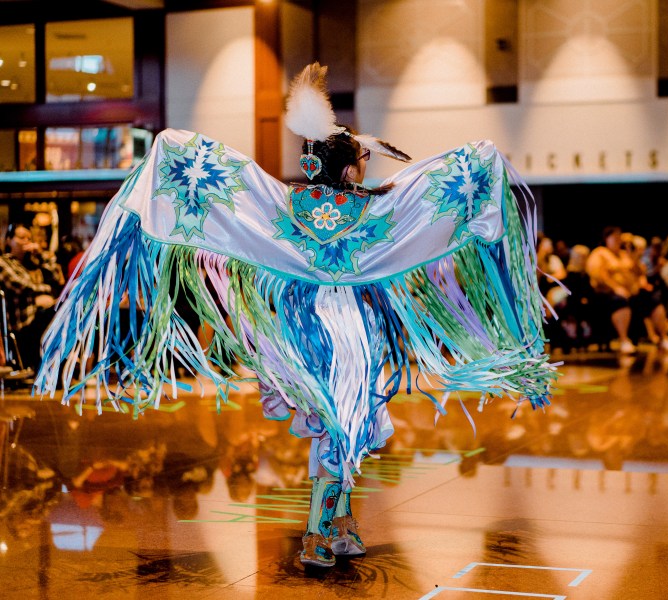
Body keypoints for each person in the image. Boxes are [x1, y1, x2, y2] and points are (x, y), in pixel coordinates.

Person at [34, 63, 557, 569]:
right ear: (349, 167)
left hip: (302, 336)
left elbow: (229, 185)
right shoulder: (375, 211)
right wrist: (482, 159)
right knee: (341, 426)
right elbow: (429, 194)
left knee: (343, 428)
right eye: (363, 165)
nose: (368, 171)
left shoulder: (284, 204)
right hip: (348, 339)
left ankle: (342, 522)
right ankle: (314, 533)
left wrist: (169, 149)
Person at [586, 226, 668, 353]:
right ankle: (624, 340)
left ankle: (664, 338)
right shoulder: (600, 253)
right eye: (615, 237)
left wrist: (633, 255)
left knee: (654, 300)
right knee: (620, 301)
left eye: (619, 237)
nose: (618, 240)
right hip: (608, 294)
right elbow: (598, 275)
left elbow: (640, 272)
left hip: (631, 293)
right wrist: (616, 287)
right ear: (606, 239)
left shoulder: (624, 254)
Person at [0, 223, 59, 371]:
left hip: (37, 316)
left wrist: (40, 254)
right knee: (57, 310)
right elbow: (22, 287)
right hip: (21, 324)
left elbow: (56, 277)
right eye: (21, 237)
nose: (26, 241)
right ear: (8, 240)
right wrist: (44, 294)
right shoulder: (3, 262)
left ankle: (58, 367)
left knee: (64, 309)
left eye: (29, 238)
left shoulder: (31, 263)